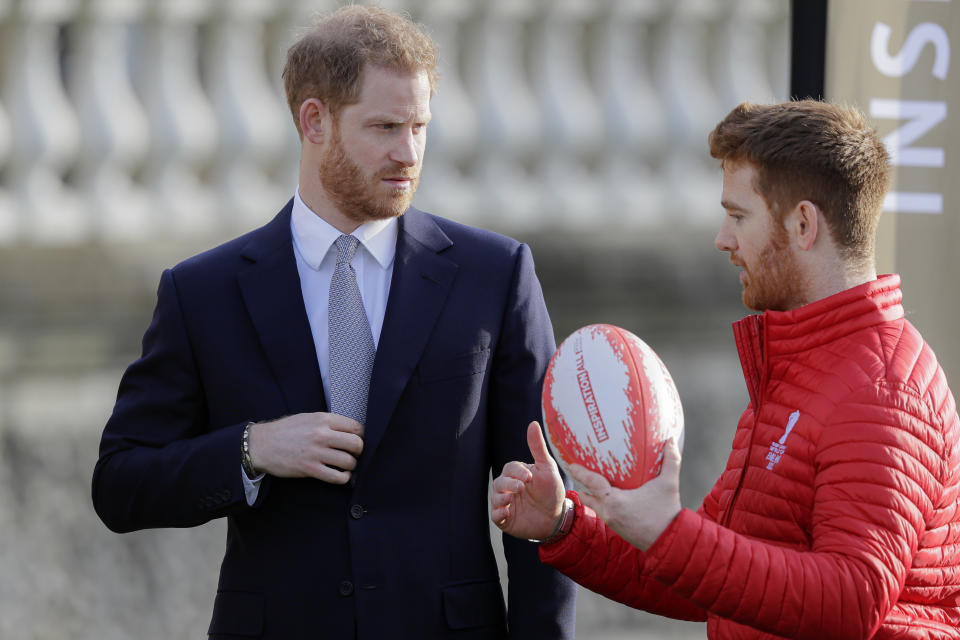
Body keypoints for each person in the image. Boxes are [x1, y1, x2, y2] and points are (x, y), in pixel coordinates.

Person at [92, 6, 575, 639]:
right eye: (384, 126)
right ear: (313, 119)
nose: (408, 153)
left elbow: (546, 494)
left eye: (420, 126)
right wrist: (252, 449)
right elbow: (122, 484)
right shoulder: (202, 292)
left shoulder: (496, 274)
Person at [491, 100, 960, 639]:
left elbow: (850, 600)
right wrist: (563, 524)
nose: (722, 238)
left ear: (804, 223)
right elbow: (708, 574)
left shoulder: (883, 388)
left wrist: (669, 532)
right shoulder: (799, 367)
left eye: (738, 216)